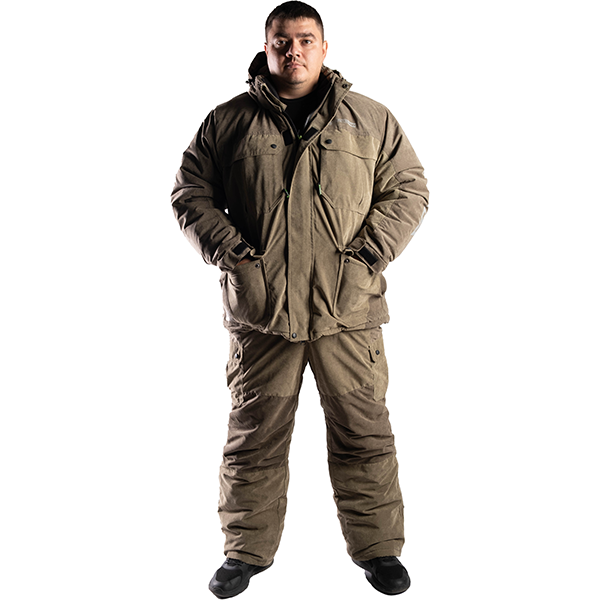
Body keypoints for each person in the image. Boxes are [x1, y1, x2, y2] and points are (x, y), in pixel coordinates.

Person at [171, 2, 428, 597]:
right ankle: (244, 552)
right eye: (282, 41)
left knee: (364, 432)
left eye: (306, 40)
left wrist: (367, 257)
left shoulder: (370, 119)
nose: (294, 52)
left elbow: (409, 189)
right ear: (266, 48)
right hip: (263, 313)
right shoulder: (227, 122)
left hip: (348, 311)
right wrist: (234, 255)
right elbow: (189, 192)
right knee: (254, 435)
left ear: (324, 47)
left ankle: (379, 550)